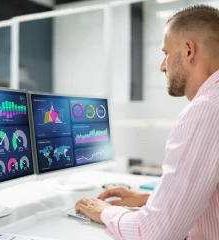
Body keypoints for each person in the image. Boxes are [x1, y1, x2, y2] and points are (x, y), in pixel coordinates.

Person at [75, 4, 219, 240]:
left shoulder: (206, 110)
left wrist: (106, 211)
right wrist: (150, 199)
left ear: (189, 50)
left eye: (166, 54)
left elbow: (154, 234)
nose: (163, 66)